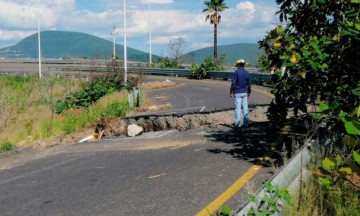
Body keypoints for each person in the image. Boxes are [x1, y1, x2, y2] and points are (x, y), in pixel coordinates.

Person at [229, 59, 251, 128]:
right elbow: (249, 84)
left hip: (237, 92)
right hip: (245, 92)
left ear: (238, 65)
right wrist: (249, 92)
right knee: (245, 108)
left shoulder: (236, 72)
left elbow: (234, 83)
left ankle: (237, 124)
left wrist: (231, 91)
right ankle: (246, 124)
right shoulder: (247, 73)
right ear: (244, 65)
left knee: (237, 108)